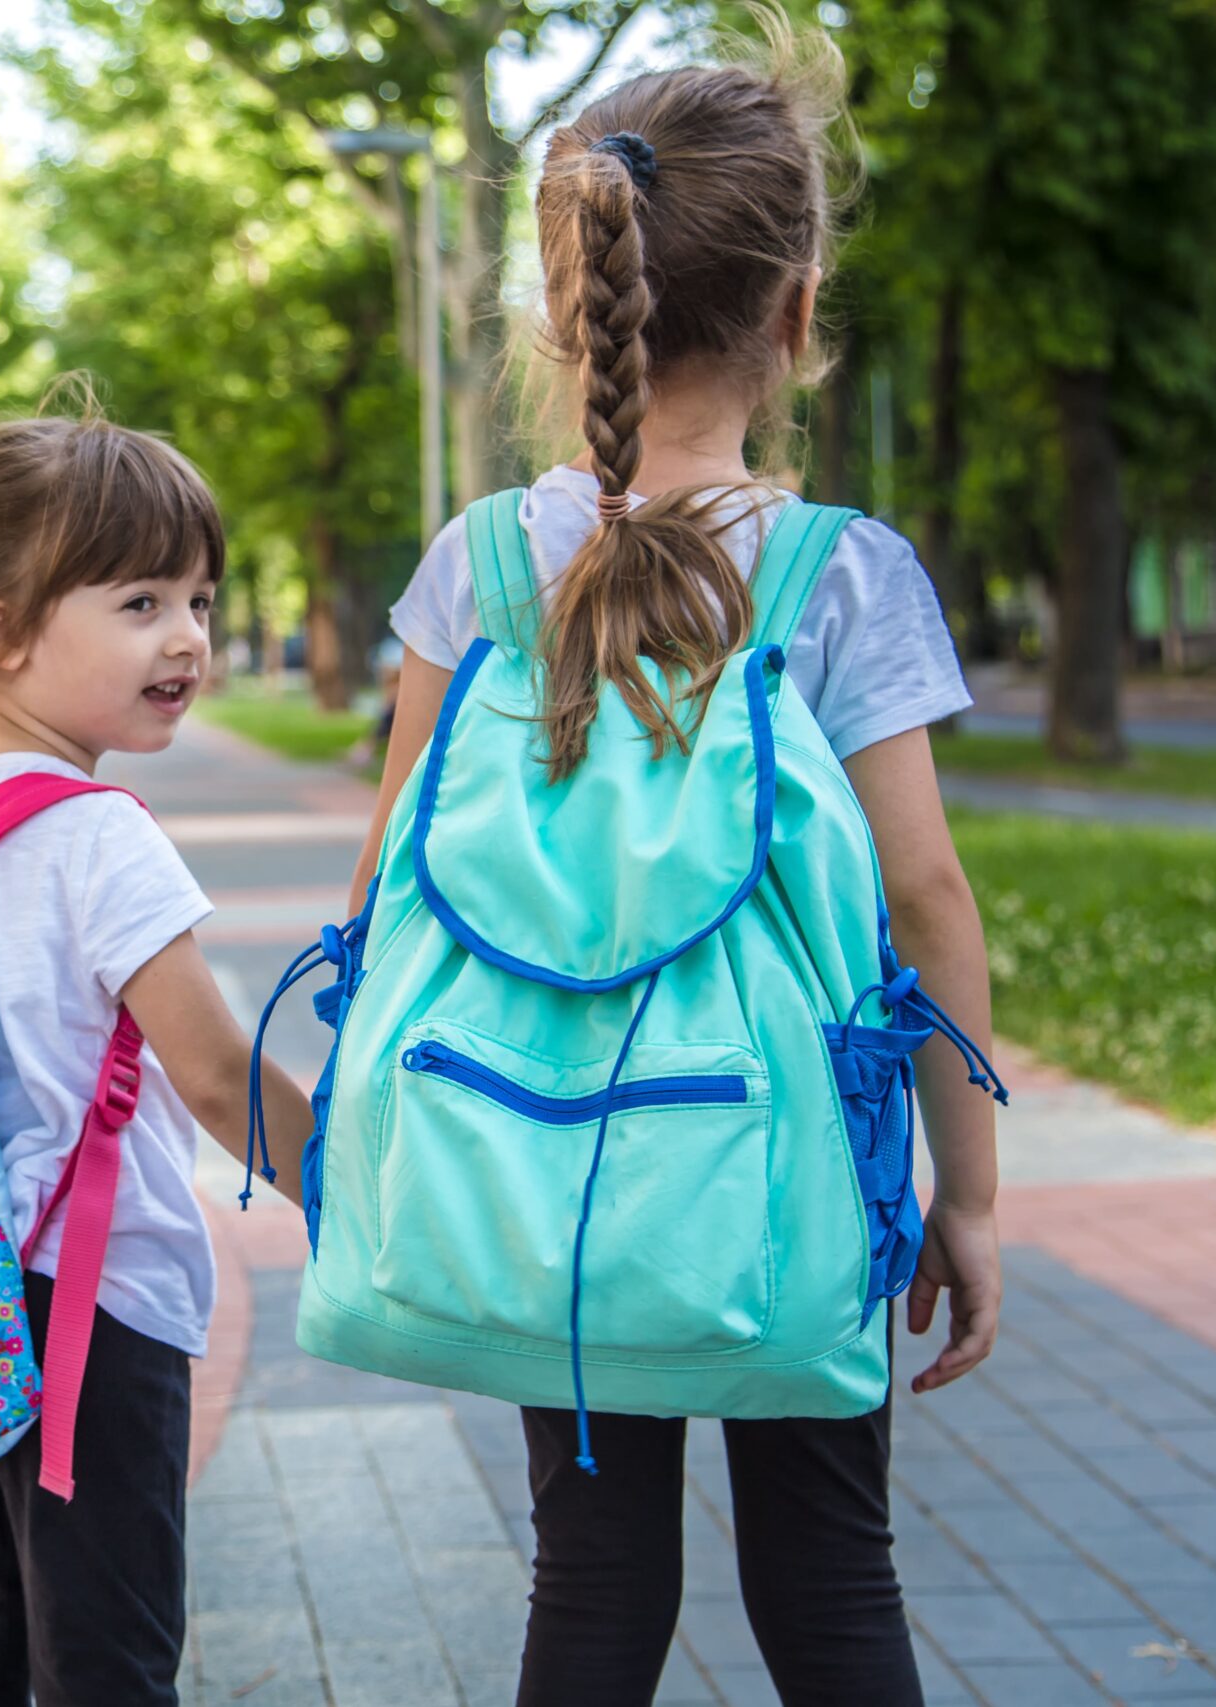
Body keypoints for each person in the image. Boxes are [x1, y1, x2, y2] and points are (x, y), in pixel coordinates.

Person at [343, 16, 1002, 1705]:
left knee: (594, 1580)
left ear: (568, 310)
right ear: (796, 316)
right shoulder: (844, 574)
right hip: (789, 1158)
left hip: (535, 1163)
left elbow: (388, 871)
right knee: (830, 1572)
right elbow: (924, 899)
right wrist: (970, 1195)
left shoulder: (481, 558)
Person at [0, 402, 311, 1707]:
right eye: (137, 602)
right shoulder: (99, 836)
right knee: (108, 1655)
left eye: (199, 599)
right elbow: (216, 1073)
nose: (186, 638)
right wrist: (364, 1197)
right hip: (94, 1318)